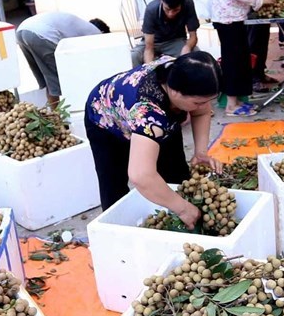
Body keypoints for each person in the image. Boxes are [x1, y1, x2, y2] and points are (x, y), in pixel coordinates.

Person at [84, 52, 224, 216]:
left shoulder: (181, 71)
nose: (205, 106)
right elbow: (140, 175)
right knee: (113, 183)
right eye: (198, 102)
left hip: (144, 115)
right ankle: (114, 228)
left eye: (208, 101)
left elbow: (201, 112)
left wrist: (201, 152)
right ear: (175, 92)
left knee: (176, 173)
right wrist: (183, 209)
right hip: (105, 117)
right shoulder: (151, 115)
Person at [16, 12, 110, 105]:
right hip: (41, 34)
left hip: (22, 31)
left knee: (45, 79)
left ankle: (47, 111)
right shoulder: (96, 33)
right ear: (103, 32)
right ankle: (56, 116)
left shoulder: (80, 26)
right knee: (54, 80)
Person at [139, 0, 199, 65]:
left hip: (174, 41)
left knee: (196, 55)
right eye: (167, 9)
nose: (171, 14)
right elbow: (149, 47)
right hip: (153, 42)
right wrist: (149, 69)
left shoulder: (188, 3)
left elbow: (193, 37)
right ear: (162, 1)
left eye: (176, 10)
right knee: (132, 57)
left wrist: (187, 47)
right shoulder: (151, 9)